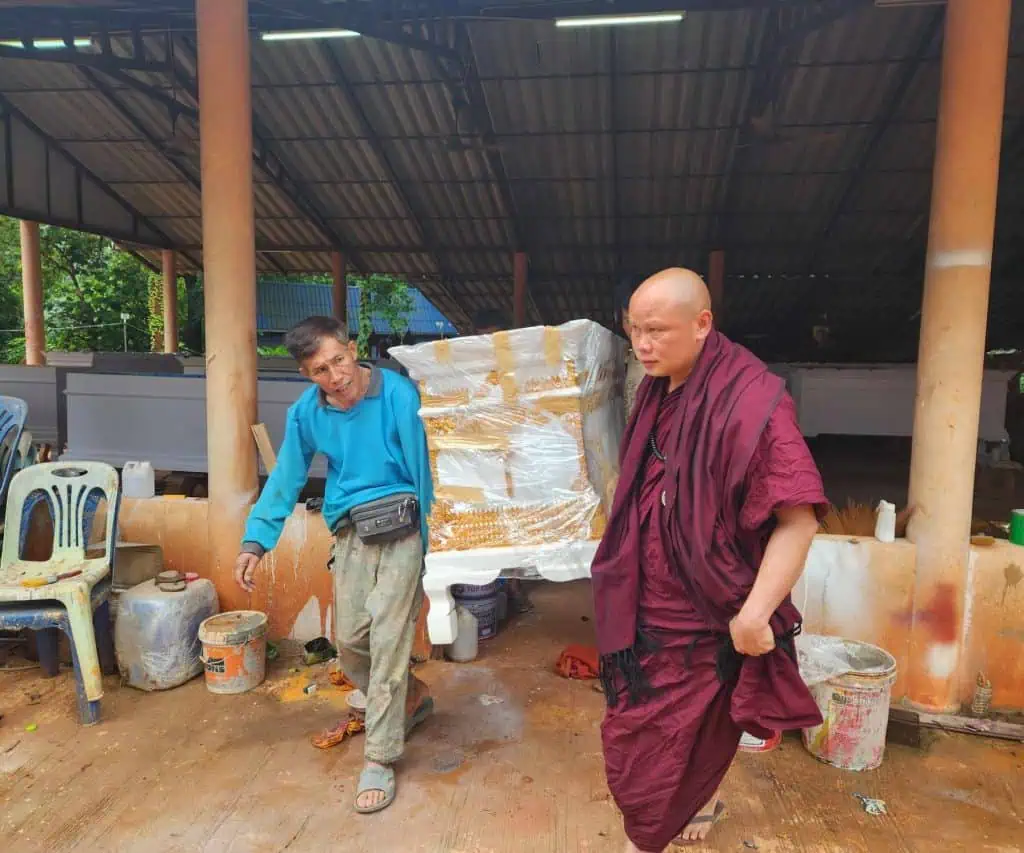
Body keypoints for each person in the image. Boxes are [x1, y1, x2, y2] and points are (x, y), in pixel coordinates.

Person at [592, 268, 828, 852]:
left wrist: (754, 615)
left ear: (702, 325)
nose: (642, 345)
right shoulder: (658, 384)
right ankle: (684, 806)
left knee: (674, 738)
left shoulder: (752, 402)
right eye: (633, 331)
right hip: (645, 602)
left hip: (706, 612)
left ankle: (646, 837)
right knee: (637, 726)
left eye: (655, 331)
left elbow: (799, 519)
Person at [233, 315, 434, 815]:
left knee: (389, 636)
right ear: (306, 374)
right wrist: (255, 542)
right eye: (320, 370)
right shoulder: (308, 413)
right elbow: (286, 478)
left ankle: (381, 758)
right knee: (350, 641)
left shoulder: (397, 395)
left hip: (405, 523)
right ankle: (412, 697)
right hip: (352, 528)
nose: (336, 377)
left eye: (339, 361)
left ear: (352, 349)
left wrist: (433, 546)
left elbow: (424, 471)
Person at [470, 307, 533, 615]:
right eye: (483, 339)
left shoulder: (516, 372)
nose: (489, 345)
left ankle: (514, 586)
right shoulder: (469, 376)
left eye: (494, 339)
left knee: (515, 520)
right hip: (483, 460)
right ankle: (495, 586)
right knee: (488, 523)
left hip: (515, 458)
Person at [615, 274, 648, 421]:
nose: (633, 328)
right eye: (627, 320)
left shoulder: (666, 359)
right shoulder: (630, 357)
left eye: (640, 319)